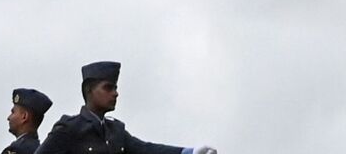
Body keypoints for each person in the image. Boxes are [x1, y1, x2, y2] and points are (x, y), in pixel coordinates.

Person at [34, 61, 216, 154]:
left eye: (115, 88)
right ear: (89, 90)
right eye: (108, 88)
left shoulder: (116, 131)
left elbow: (147, 150)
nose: (115, 93)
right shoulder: (69, 128)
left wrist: (189, 152)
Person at [5, 88, 53, 154]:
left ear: (24, 116)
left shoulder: (16, 150)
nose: (8, 117)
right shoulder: (39, 148)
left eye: (13, 112)